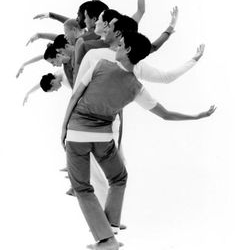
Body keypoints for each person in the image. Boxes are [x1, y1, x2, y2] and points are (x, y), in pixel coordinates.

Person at [61, 31, 215, 250]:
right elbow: (165, 114)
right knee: (119, 177)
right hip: (103, 138)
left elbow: (75, 96)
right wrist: (196, 116)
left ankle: (106, 240)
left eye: (121, 45)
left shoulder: (100, 65)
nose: (117, 48)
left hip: (77, 134)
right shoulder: (136, 87)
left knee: (82, 187)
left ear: (129, 51)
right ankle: (111, 229)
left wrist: (63, 128)